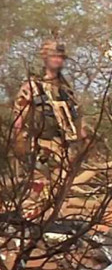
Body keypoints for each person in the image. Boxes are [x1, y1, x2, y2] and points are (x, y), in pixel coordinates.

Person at [11, 39, 86, 216]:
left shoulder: (66, 90)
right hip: (40, 145)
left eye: (61, 57)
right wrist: (20, 142)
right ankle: (26, 226)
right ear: (45, 58)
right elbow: (18, 117)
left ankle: (54, 225)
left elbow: (77, 119)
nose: (58, 60)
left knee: (62, 190)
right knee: (36, 187)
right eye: (54, 56)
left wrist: (83, 139)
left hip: (64, 147)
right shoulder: (32, 86)